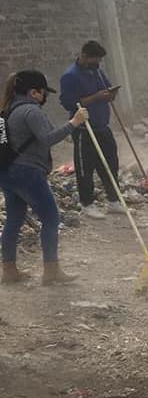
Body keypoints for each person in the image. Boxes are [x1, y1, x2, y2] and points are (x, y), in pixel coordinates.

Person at [1, 70, 89, 285]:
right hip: (28, 173)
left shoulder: (8, 110)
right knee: (50, 218)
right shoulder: (31, 111)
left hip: (7, 173)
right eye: (43, 92)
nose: (44, 96)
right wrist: (74, 123)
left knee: (14, 219)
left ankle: (9, 270)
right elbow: (47, 139)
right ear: (34, 92)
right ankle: (51, 272)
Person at [59, 40, 122, 220]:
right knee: (85, 168)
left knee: (110, 163)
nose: (98, 63)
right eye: (95, 59)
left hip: (103, 125)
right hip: (84, 129)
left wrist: (111, 94)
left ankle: (114, 200)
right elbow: (69, 103)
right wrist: (95, 97)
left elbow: (107, 89)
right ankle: (87, 204)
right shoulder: (70, 76)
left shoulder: (97, 71)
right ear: (84, 56)